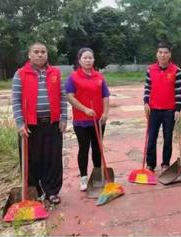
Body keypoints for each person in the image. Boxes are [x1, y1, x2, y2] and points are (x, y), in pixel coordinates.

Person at [12, 42, 67, 204]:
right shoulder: (21, 74)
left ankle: (52, 191)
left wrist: (64, 118)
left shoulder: (55, 73)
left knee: (53, 159)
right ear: (29, 55)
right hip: (30, 126)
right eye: (36, 52)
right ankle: (35, 191)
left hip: (52, 123)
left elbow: (63, 97)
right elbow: (15, 100)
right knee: (31, 160)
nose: (40, 54)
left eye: (43, 52)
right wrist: (20, 123)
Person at [66, 48, 110, 191]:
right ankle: (84, 178)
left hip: (98, 120)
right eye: (85, 58)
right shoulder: (73, 77)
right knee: (84, 149)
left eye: (90, 58)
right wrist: (85, 109)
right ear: (79, 60)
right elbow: (70, 97)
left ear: (93, 60)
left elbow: (105, 96)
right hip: (81, 121)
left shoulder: (99, 77)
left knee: (98, 148)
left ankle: (97, 174)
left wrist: (105, 113)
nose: (88, 60)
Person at [143, 42, 181, 172]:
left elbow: (178, 91)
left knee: (168, 138)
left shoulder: (176, 70)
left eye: (165, 52)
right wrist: (145, 102)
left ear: (170, 54)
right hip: (153, 109)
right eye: (160, 52)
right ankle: (150, 164)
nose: (163, 55)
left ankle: (165, 163)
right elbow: (147, 88)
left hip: (169, 110)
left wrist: (178, 109)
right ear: (157, 54)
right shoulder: (150, 69)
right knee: (152, 138)